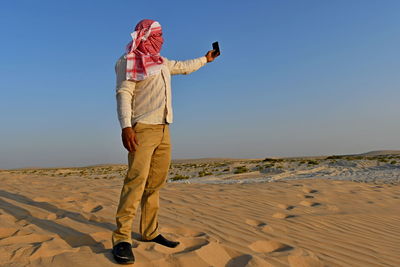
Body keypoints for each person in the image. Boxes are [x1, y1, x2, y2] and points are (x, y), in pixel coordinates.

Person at [111, 19, 220, 264]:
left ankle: (149, 232)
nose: (161, 40)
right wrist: (126, 127)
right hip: (142, 129)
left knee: (155, 183)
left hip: (163, 129)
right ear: (145, 36)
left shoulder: (161, 62)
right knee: (135, 182)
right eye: (157, 36)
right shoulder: (127, 61)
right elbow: (124, 93)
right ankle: (122, 239)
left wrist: (206, 59)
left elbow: (183, 66)